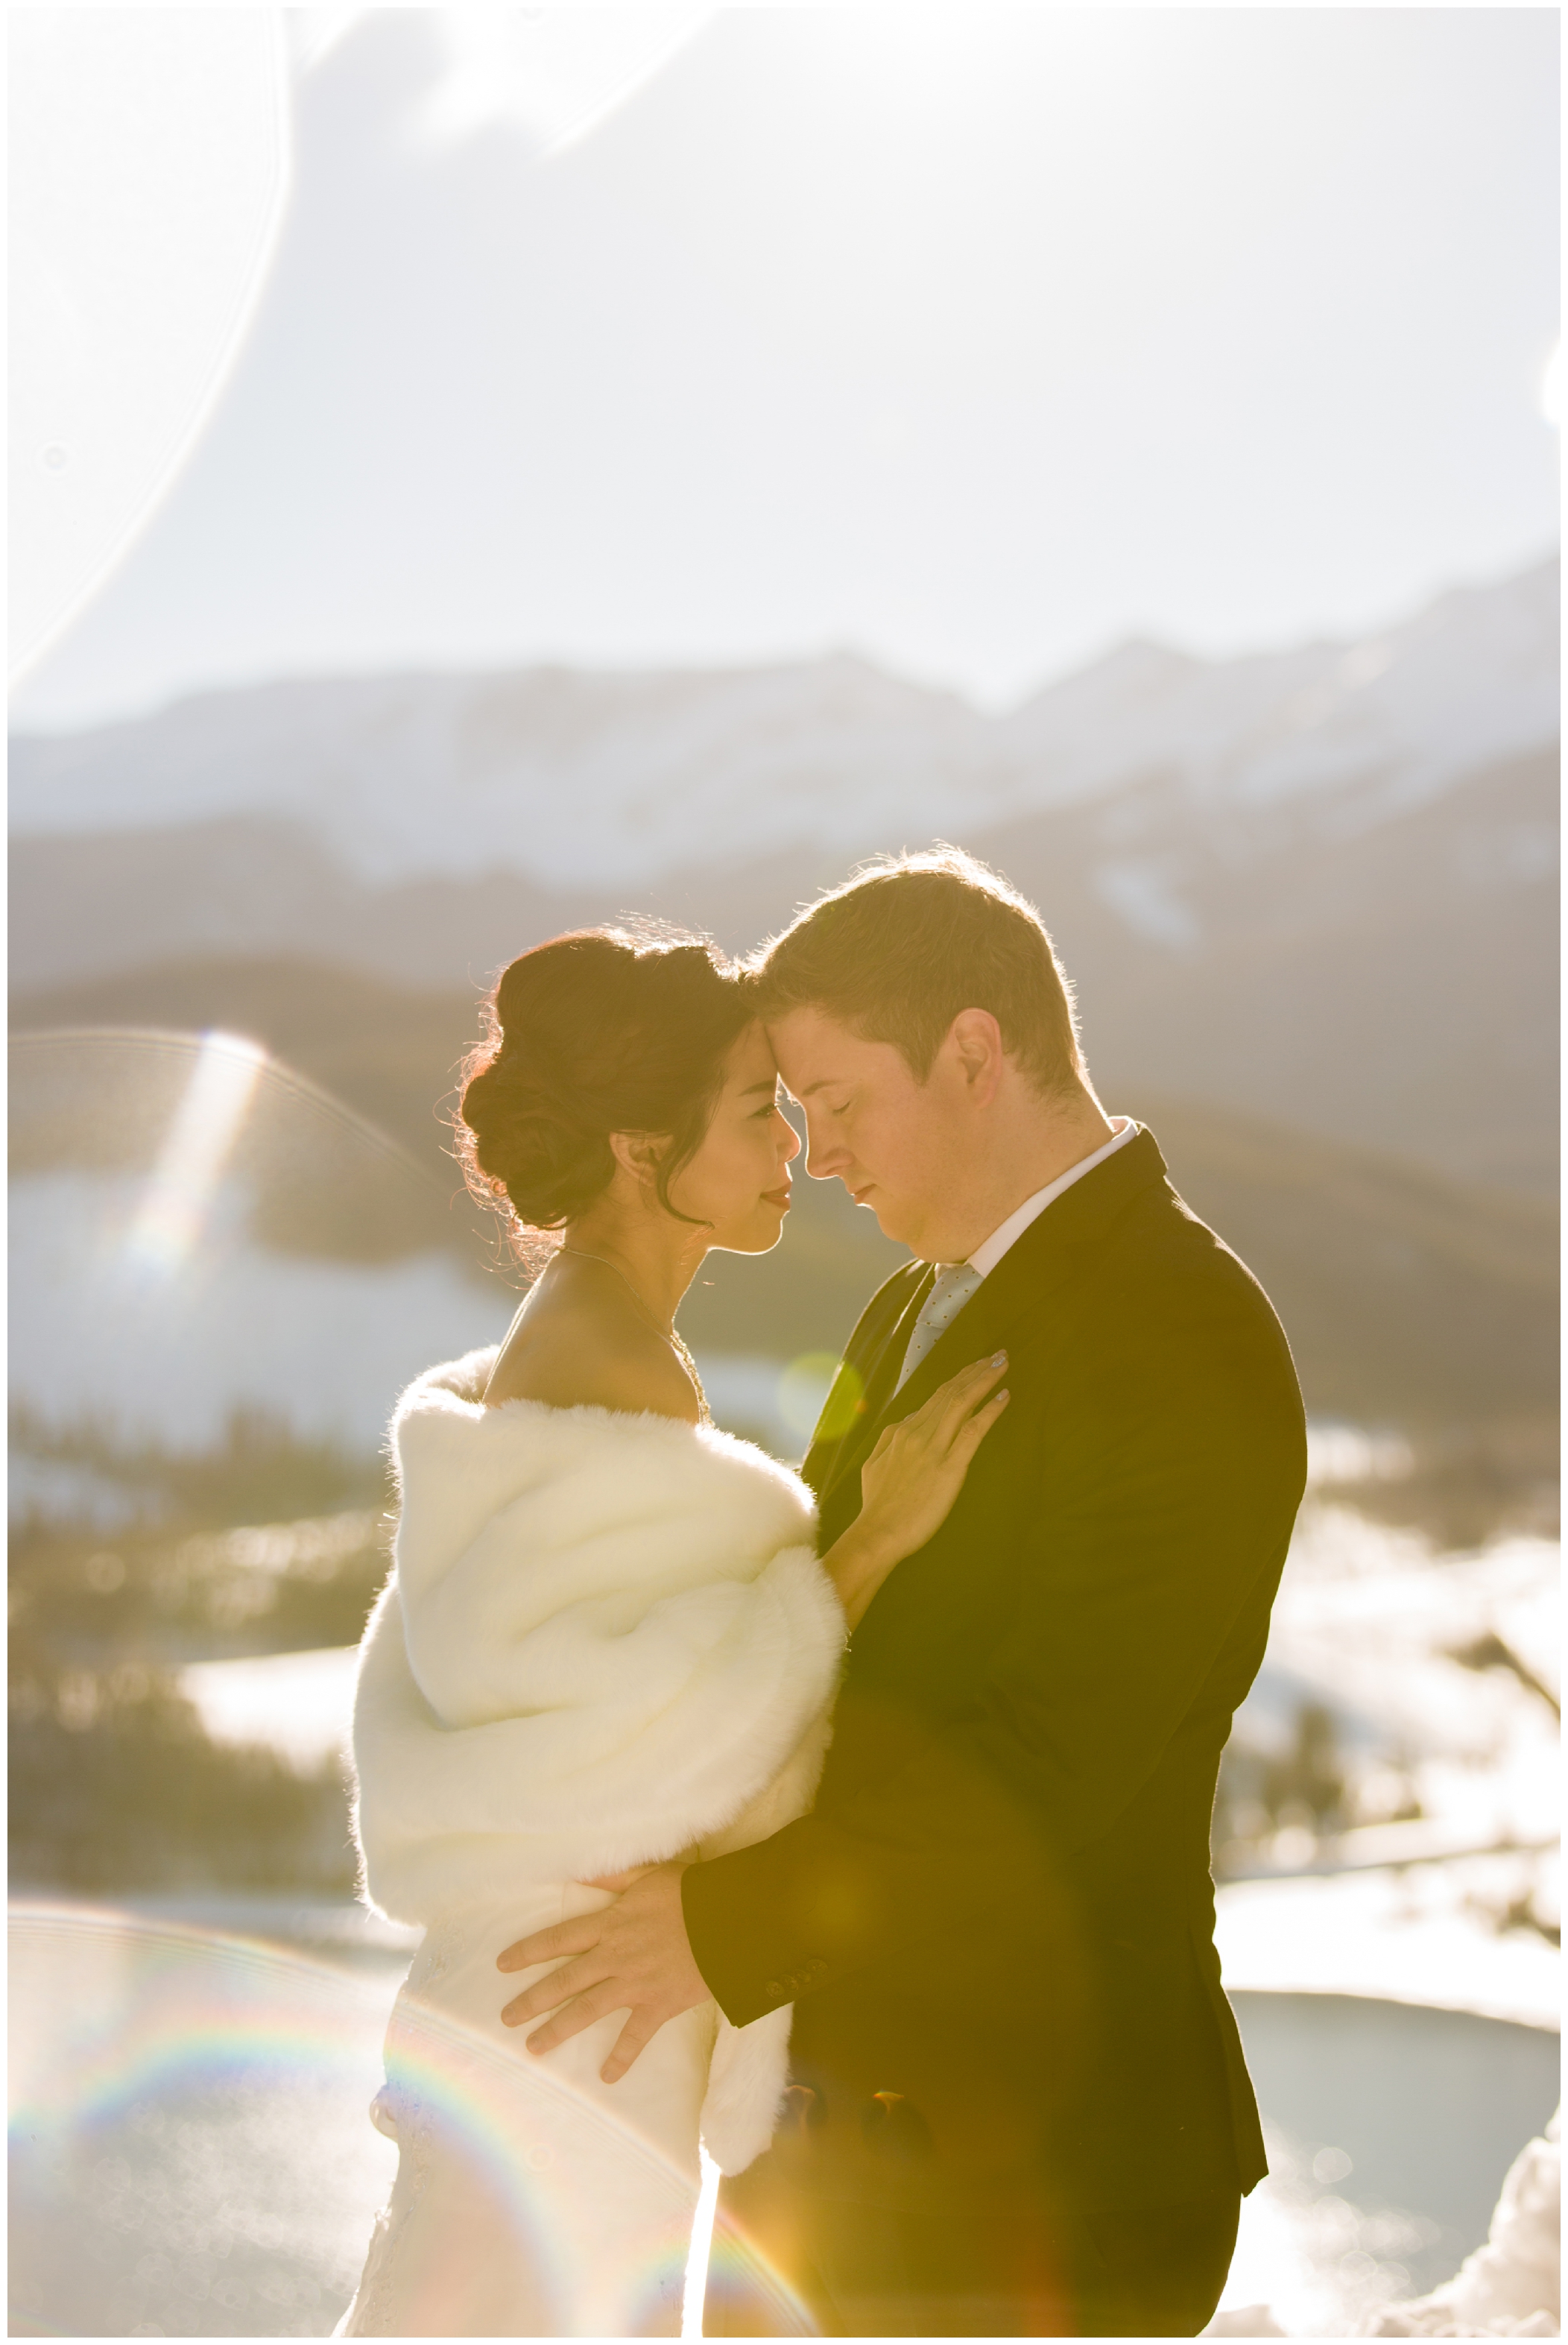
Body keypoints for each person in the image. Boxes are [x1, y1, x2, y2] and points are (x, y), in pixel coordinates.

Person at [496, 851, 1309, 2338]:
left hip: (1035, 2183)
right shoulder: (907, 1296)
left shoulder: (1182, 1332)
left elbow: (1052, 1760)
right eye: (792, 1113)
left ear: (973, 1054)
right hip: (822, 2156)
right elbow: (832, 1649)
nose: (823, 1155)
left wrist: (720, 1931)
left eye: (841, 1103)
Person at [335, 926, 1008, 2339]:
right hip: (579, 2012)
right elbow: (683, 1736)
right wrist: (878, 1537)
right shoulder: (615, 1360)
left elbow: (612, 1701)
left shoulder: (600, 1335)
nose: (799, 1148)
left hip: (564, 1997)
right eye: (761, 1109)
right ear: (646, 1145)